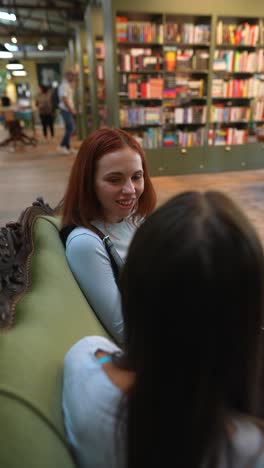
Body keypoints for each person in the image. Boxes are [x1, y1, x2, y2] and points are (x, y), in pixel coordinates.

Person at [63, 190, 264, 468]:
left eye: (137, 176)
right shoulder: (247, 448)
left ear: (134, 290)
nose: (130, 190)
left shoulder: (83, 362)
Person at [60, 127, 156, 344]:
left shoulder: (133, 218)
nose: (130, 189)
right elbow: (124, 331)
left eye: (137, 177)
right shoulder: (85, 243)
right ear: (88, 182)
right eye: (115, 180)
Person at [57, 69, 76, 155]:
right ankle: (62, 146)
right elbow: (64, 99)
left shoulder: (68, 85)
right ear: (67, 76)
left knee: (69, 128)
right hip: (66, 110)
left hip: (67, 109)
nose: (74, 77)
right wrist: (71, 109)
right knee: (71, 128)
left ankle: (68, 147)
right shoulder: (64, 86)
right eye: (72, 75)